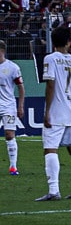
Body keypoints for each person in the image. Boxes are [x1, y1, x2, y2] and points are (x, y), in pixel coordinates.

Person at [36, 26, 71, 201]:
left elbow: (50, 85)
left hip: (56, 111)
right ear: (68, 42)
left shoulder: (50, 58)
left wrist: (47, 111)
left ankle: (53, 190)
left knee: (50, 149)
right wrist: (69, 103)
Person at [0, 40, 25, 175]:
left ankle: (13, 166)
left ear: (2, 51)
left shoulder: (12, 67)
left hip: (8, 105)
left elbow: (21, 88)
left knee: (9, 134)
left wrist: (20, 106)